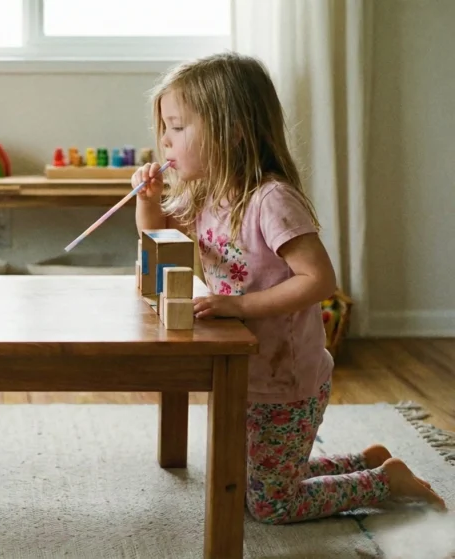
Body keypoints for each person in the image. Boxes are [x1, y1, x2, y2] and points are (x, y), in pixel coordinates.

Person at [134, 52, 445, 524]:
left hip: (286, 375)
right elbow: (158, 235)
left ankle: (385, 482)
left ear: (232, 130)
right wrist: (148, 202)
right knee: (237, 479)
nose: (164, 140)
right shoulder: (207, 194)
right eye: (164, 127)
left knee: (270, 505)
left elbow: (319, 280)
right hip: (245, 365)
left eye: (177, 127)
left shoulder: (271, 200)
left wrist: (235, 304)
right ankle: (366, 461)